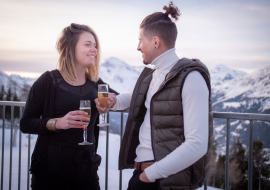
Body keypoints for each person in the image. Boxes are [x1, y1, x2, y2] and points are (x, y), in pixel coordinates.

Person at [95, 2, 213, 190]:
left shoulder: (191, 78)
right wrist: (114, 101)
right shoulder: (152, 75)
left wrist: (149, 176)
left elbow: (197, 144)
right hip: (144, 174)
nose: (138, 47)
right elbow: (131, 98)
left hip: (163, 179)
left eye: (141, 40)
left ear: (155, 42)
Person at [20, 23, 117, 190]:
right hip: (51, 169)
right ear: (71, 48)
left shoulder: (95, 84)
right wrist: (57, 123)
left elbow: (119, 100)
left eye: (95, 45)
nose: (94, 49)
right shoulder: (48, 81)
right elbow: (26, 123)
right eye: (87, 44)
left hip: (86, 168)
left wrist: (113, 101)